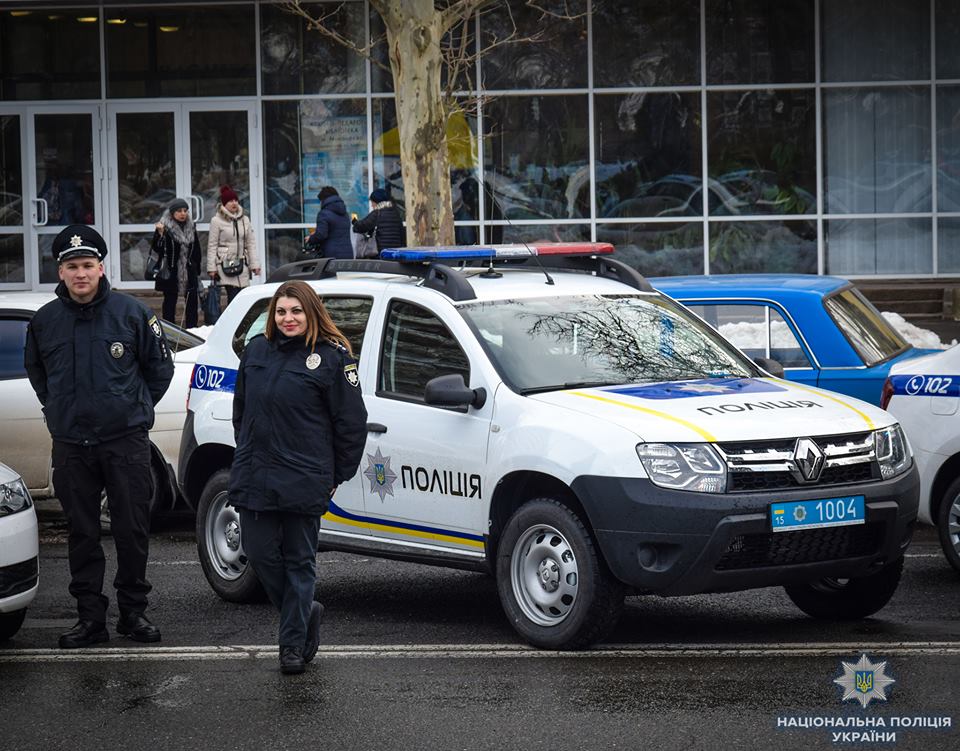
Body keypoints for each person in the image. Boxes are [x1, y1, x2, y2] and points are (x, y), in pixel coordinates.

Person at [23, 224, 174, 649]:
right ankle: (90, 618)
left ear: (101, 267)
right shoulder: (45, 322)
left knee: (131, 529)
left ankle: (133, 613)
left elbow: (159, 371)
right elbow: (38, 373)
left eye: (88, 265)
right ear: (61, 271)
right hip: (72, 446)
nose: (81, 273)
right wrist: (57, 409)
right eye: (72, 266)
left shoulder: (133, 313)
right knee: (82, 533)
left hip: (124, 443)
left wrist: (132, 408)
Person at [229, 280, 367, 674]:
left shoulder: (332, 358)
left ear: (311, 314)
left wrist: (337, 474)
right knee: (258, 555)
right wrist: (248, 451)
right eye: (281, 311)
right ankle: (306, 611)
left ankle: (291, 646)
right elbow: (242, 411)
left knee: (299, 561)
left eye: (296, 311)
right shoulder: (255, 352)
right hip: (257, 474)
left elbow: (352, 424)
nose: (288, 319)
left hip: (305, 477)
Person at [151, 197, 202, 327]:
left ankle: (192, 329)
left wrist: (197, 268)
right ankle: (169, 330)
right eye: (179, 211)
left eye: (185, 210)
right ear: (172, 212)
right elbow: (157, 248)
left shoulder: (191, 226)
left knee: (192, 301)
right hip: (170, 269)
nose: (183, 213)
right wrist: (161, 234)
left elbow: (196, 249)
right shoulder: (164, 226)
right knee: (169, 301)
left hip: (189, 269)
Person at [207, 185, 261, 305]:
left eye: (236, 200)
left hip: (242, 264)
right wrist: (212, 268)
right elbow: (212, 245)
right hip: (225, 263)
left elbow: (250, 243)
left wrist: (255, 265)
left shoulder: (244, 219)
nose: (234, 203)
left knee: (243, 296)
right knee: (233, 296)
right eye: (231, 201)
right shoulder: (216, 221)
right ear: (224, 203)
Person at [304, 186, 353, 259]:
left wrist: (311, 238)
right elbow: (337, 232)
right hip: (348, 254)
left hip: (331, 256)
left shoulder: (323, 214)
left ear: (323, 200)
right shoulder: (345, 214)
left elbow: (321, 235)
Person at [352, 188, 404, 254]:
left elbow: (362, 227)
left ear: (377, 201)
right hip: (395, 252)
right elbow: (401, 233)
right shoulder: (395, 213)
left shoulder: (377, 213)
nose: (371, 205)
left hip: (382, 252)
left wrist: (354, 221)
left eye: (372, 202)